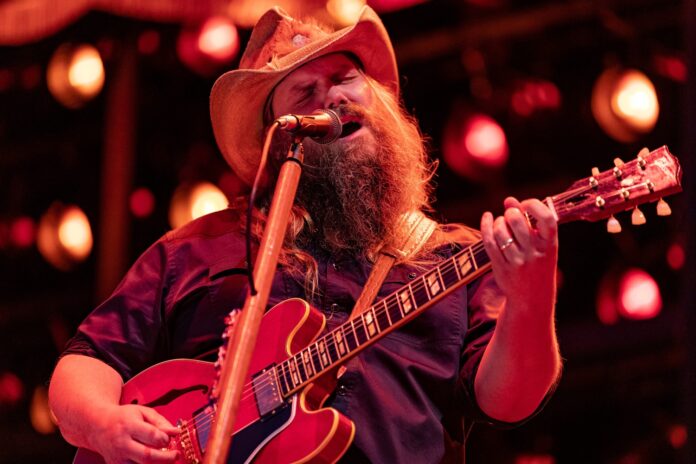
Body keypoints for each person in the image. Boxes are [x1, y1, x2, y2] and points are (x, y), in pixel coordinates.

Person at [49, 6, 562, 464]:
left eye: (345, 78)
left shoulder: (453, 254)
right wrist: (103, 425)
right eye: (305, 93)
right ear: (280, 136)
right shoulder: (195, 248)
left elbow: (509, 401)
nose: (333, 97)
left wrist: (531, 298)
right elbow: (88, 360)